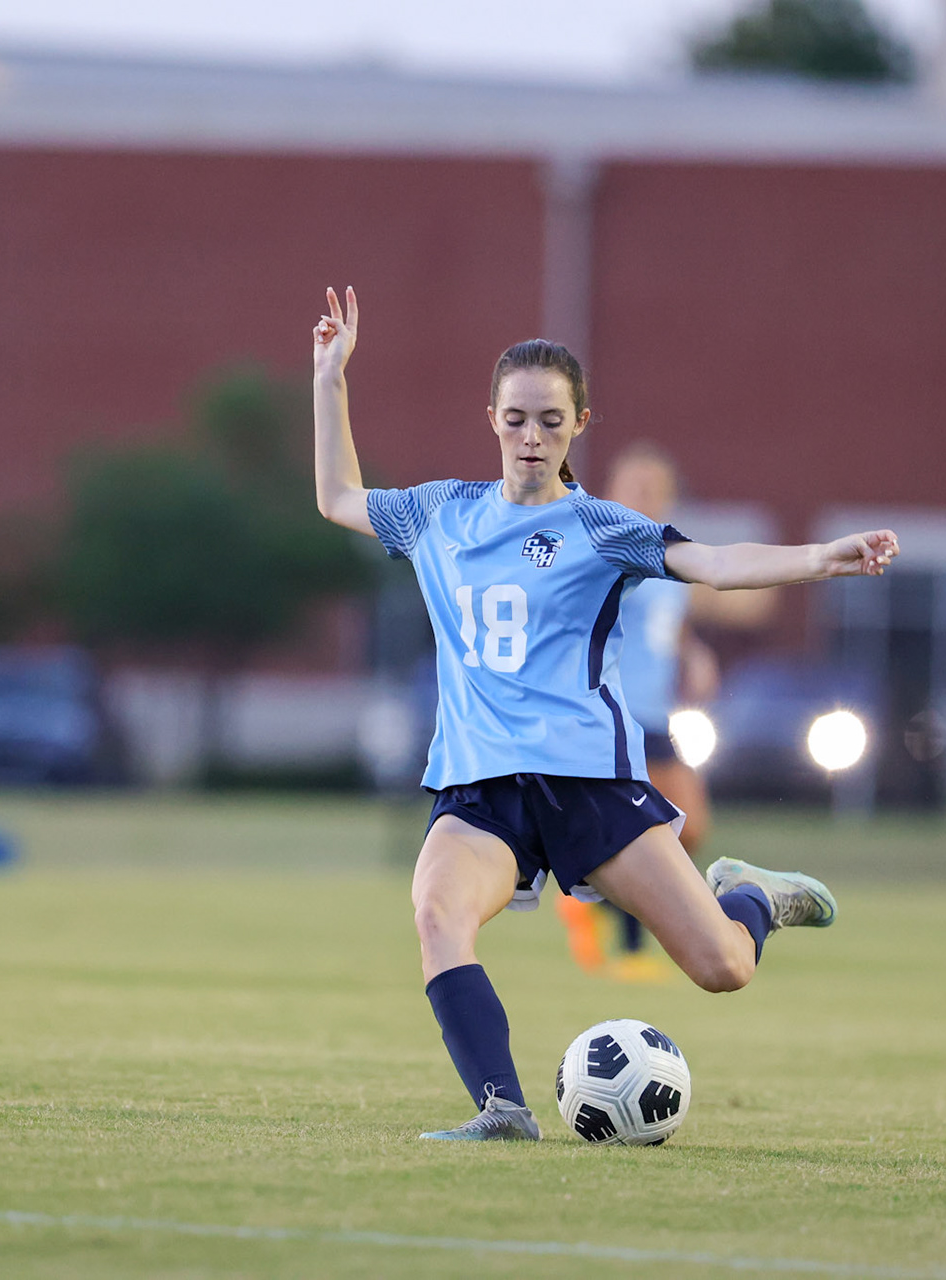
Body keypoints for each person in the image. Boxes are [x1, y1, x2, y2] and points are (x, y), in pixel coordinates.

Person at [311, 287, 899, 1141]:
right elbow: (337, 497)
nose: (531, 438)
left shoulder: (601, 526)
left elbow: (719, 565)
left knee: (723, 967)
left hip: (591, 783)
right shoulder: (438, 513)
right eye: (516, 419)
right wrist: (330, 377)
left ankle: (754, 897)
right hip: (481, 790)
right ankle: (503, 1109)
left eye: (551, 421)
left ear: (580, 423)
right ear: (492, 419)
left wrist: (822, 558)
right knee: (436, 914)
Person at [554, 441, 766, 982]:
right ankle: (630, 948)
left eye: (654, 488)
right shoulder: (607, 547)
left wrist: (693, 651)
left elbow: (673, 618)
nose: (643, 496)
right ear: (615, 490)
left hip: (656, 714)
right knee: (650, 829)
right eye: (634, 486)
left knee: (686, 827)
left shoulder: (665, 552)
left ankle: (591, 900)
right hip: (615, 712)